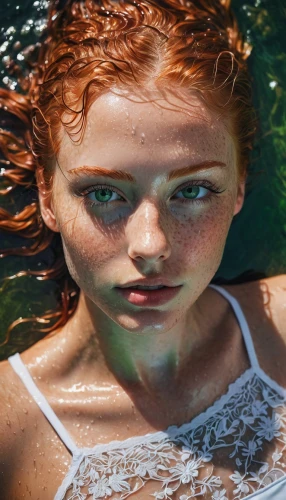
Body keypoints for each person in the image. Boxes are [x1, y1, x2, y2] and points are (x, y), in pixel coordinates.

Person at [0, 0, 285, 498]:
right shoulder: (11, 434)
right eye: (103, 194)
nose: (150, 245)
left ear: (239, 186)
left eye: (192, 190)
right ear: (47, 195)